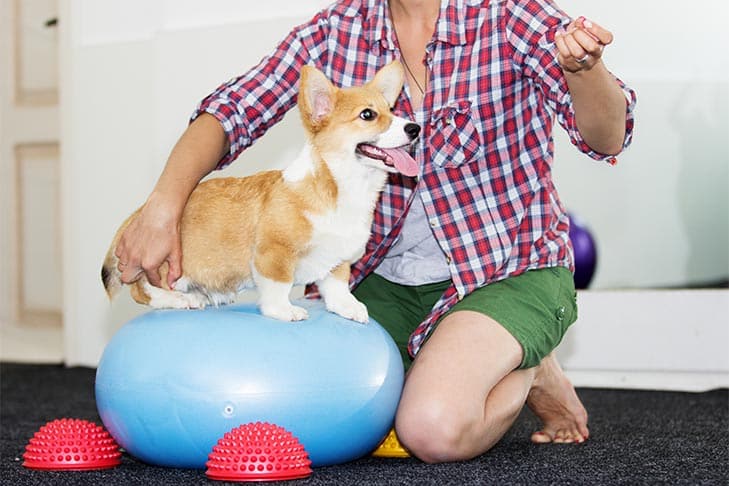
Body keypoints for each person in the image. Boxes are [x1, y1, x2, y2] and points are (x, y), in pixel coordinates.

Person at [114, 0, 636, 463]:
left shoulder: (511, 15)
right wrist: (162, 206)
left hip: (507, 269)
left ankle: (531, 366)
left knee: (429, 430)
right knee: (315, 409)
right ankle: (486, 354)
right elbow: (233, 110)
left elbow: (609, 137)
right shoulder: (336, 29)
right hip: (380, 282)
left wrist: (584, 69)